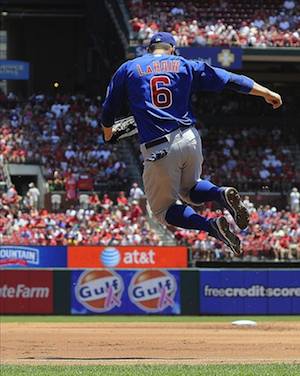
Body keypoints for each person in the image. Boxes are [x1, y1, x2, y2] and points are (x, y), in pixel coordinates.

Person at [101, 32, 282, 255]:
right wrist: (266, 92)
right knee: (190, 189)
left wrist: (108, 133)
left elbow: (108, 110)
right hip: (189, 138)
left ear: (149, 49)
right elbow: (229, 80)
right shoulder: (184, 64)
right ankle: (219, 193)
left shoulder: (129, 68)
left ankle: (211, 226)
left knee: (162, 210)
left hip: (159, 147)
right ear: (172, 49)